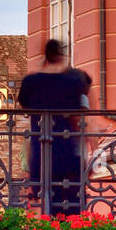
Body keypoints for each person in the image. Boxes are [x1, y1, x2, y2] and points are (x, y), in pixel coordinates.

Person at [17, 40, 86, 215]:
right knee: (70, 211)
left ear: (45, 57)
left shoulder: (30, 82)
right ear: (62, 56)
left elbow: (25, 117)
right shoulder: (72, 82)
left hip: (40, 151)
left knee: (42, 210)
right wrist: (87, 152)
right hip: (66, 151)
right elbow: (79, 121)